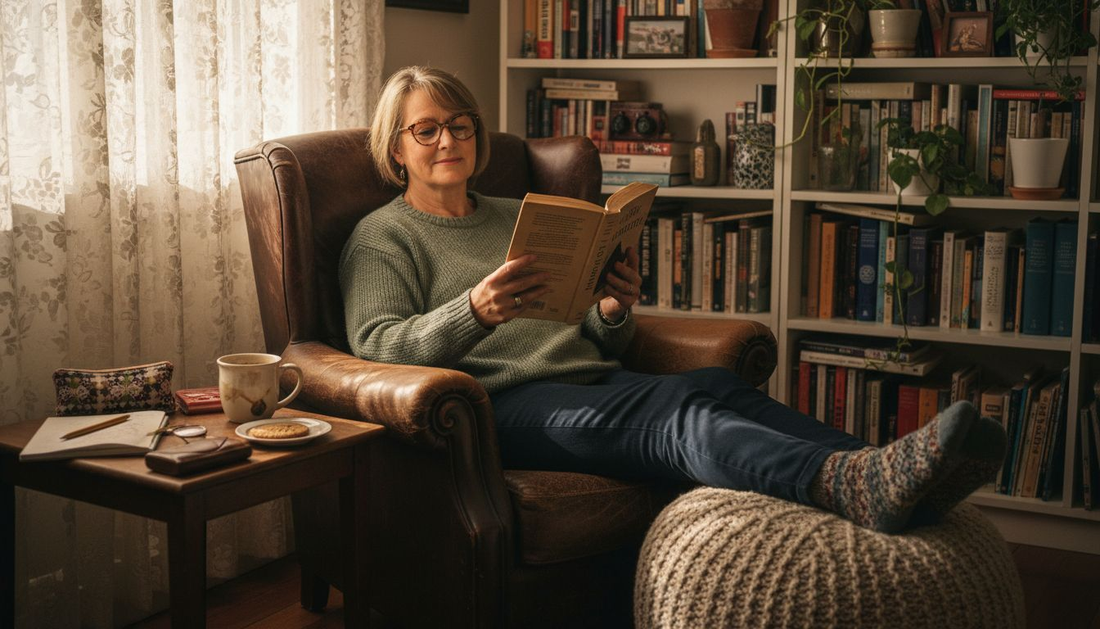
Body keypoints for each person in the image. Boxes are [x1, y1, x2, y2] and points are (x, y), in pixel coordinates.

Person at [339, 66, 1007, 533]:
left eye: (459, 125)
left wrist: (609, 311)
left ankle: (882, 465)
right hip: (500, 407)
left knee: (712, 385)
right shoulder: (383, 238)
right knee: (679, 418)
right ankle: (846, 483)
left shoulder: (519, 212)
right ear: (395, 148)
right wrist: (474, 310)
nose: (448, 141)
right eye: (425, 131)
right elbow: (378, 350)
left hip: (588, 380)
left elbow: (593, 338)